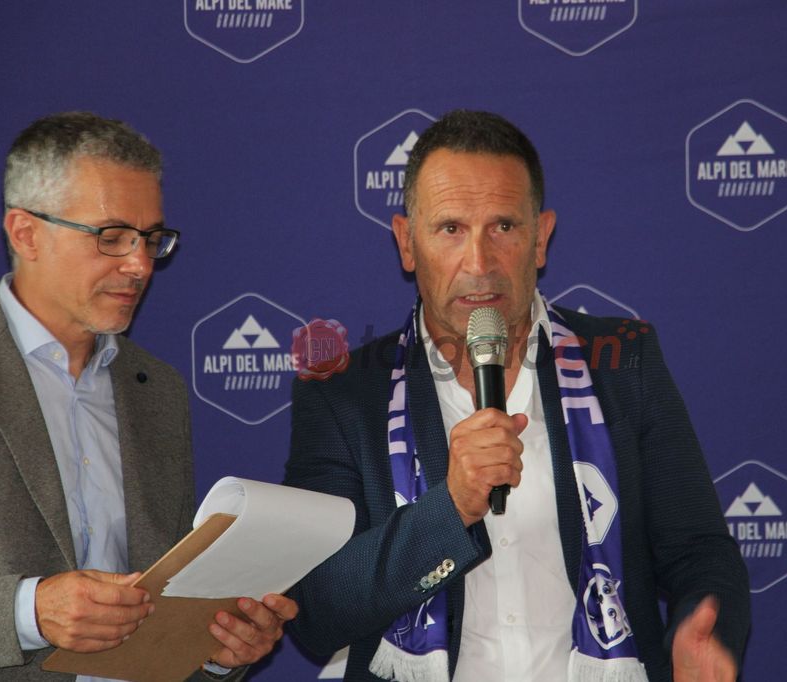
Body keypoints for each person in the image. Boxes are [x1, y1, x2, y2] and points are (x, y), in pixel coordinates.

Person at [284, 110, 750, 682]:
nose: (479, 264)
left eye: (503, 227)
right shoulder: (342, 396)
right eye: (450, 229)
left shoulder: (625, 364)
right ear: (407, 242)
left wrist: (706, 634)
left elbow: (700, 552)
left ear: (541, 238)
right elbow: (317, 608)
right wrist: (451, 508)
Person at [0, 112, 296, 680]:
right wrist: (27, 612)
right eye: (110, 237)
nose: (139, 265)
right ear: (25, 233)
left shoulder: (157, 389)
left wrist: (217, 650)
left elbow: (163, 612)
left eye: (152, 239)